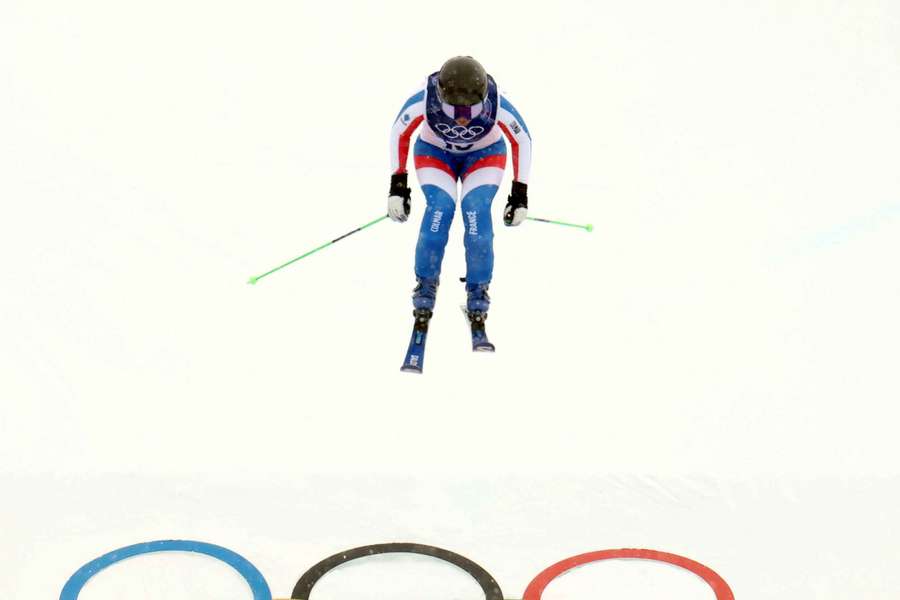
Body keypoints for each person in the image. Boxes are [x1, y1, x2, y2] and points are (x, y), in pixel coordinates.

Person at [387, 56, 532, 338]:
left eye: (471, 109)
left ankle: (478, 290)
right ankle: (425, 285)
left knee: (476, 212)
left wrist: (520, 194)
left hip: (484, 156)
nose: (463, 117)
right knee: (439, 209)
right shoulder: (424, 98)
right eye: (454, 109)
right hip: (435, 153)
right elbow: (399, 132)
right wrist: (398, 185)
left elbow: (522, 139)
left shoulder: (498, 102)